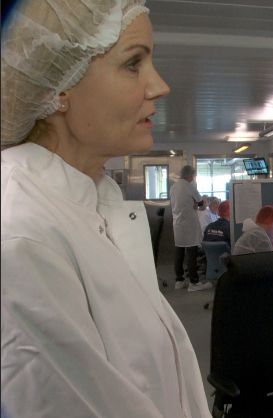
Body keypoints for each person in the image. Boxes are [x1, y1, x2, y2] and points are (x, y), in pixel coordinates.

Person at [0, 0, 212, 416]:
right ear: (57, 89)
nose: (160, 86)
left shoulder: (96, 198)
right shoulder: (22, 233)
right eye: (133, 63)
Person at [170, 165, 212, 291]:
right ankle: (194, 282)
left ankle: (179, 280)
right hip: (189, 224)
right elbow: (201, 202)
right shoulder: (189, 186)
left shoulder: (173, 187)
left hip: (177, 224)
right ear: (189, 175)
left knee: (179, 252)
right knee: (191, 253)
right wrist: (196, 202)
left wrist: (194, 203)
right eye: (192, 176)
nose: (192, 178)